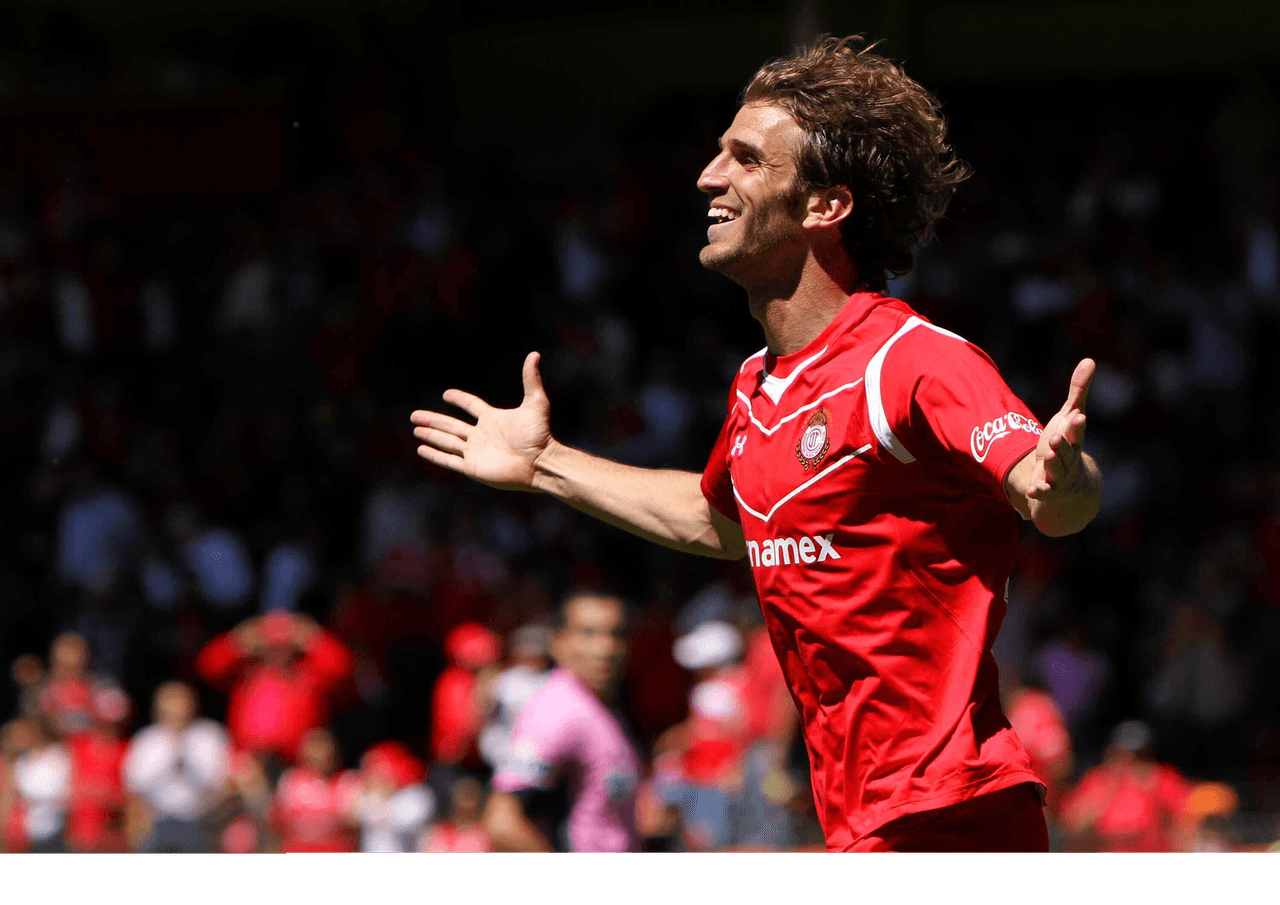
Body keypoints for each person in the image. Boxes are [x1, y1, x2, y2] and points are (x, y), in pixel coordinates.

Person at [411, 35, 1102, 853]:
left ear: (824, 206)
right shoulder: (757, 385)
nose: (709, 177)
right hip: (857, 819)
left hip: (952, 815)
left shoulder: (909, 361)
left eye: (744, 158)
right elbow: (730, 523)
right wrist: (546, 464)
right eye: (716, 154)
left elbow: (1054, 500)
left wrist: (1061, 477)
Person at [484, 591, 642, 853]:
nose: (606, 648)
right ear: (559, 643)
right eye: (588, 633)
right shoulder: (558, 710)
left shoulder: (598, 704)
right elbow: (502, 823)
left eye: (616, 634)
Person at [122, 682, 229, 853]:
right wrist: (169, 754)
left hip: (199, 821)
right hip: (156, 821)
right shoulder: (147, 739)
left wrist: (186, 756)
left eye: (181, 700)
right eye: (171, 701)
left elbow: (218, 782)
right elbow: (134, 782)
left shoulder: (209, 735)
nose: (177, 708)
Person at [1059, 720, 1191, 853]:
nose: (1131, 763)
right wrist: (1103, 796)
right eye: (1123, 755)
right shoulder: (1097, 780)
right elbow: (1071, 826)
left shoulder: (1163, 779)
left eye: (1139, 757)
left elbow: (1186, 824)